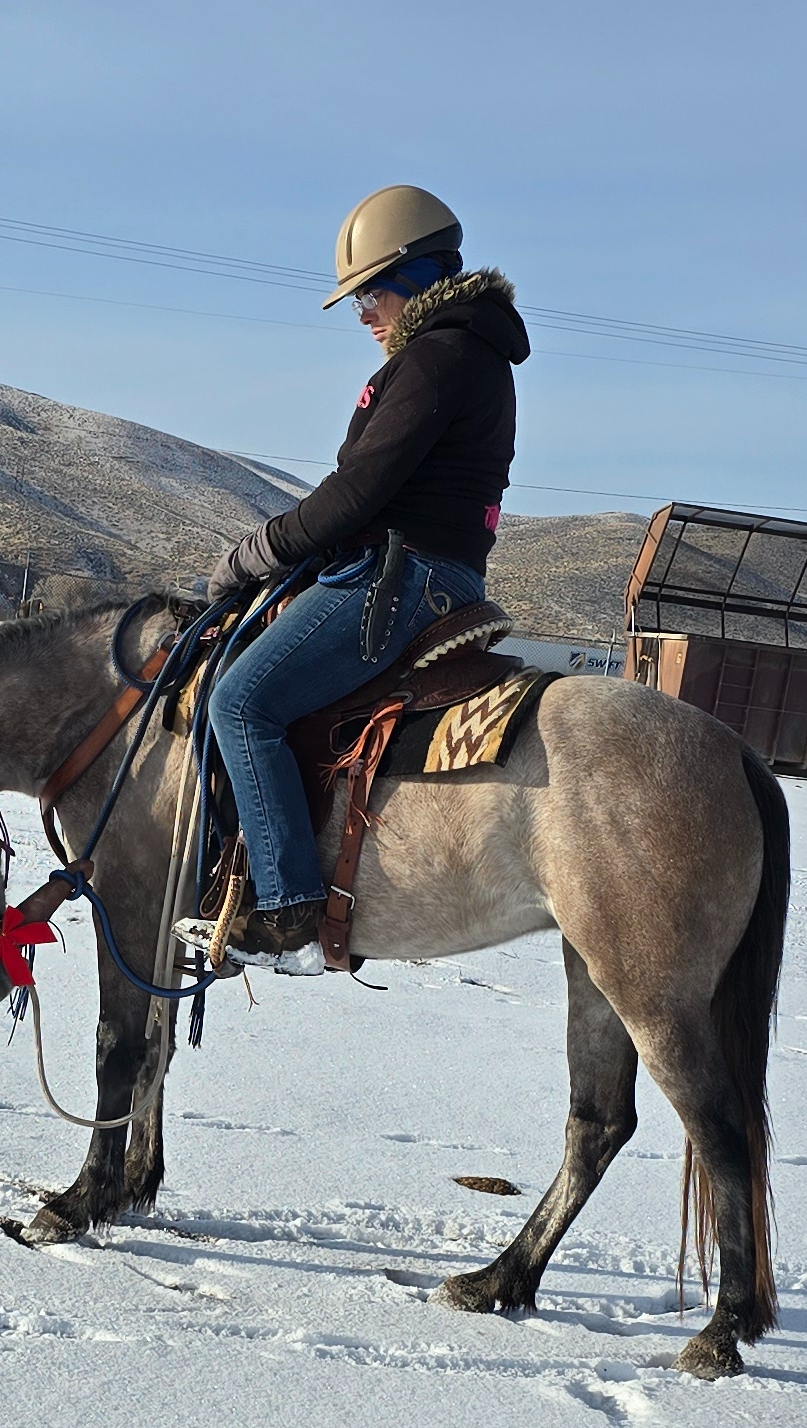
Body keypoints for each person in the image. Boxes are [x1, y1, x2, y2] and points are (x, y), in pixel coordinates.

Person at [175, 185, 530, 974]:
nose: (364, 313)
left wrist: (256, 552)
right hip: (437, 572)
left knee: (240, 701)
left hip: (399, 578)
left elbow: (357, 493)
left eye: (370, 291)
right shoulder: (464, 352)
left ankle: (285, 910)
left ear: (416, 276)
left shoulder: (439, 357)